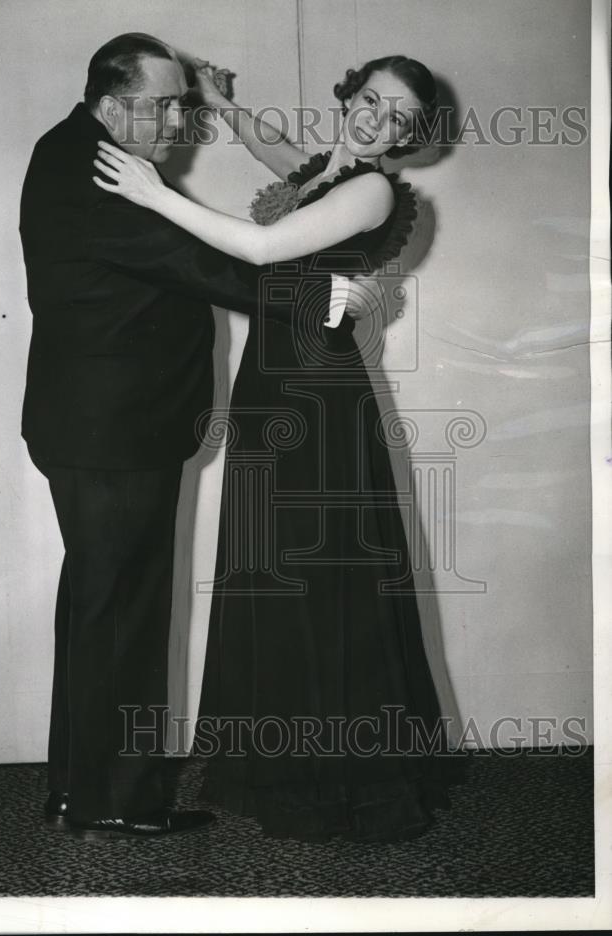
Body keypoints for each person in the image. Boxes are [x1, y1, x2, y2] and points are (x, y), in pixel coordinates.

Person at [93, 54, 467, 842]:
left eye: (395, 116)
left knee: (312, 574)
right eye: (368, 99)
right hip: (277, 382)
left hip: (314, 394)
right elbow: (273, 150)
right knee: (283, 570)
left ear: (408, 134)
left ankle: (335, 776)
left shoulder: (369, 190)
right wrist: (223, 104)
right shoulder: (325, 172)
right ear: (349, 96)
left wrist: (155, 194)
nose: (374, 119)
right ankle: (289, 759)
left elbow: (260, 252)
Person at [19, 32, 371, 841]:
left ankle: (79, 788)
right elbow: (199, 265)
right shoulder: (97, 170)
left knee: (99, 607)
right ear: (111, 106)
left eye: (183, 103)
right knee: (123, 612)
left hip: (99, 427)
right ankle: (116, 801)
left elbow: (179, 255)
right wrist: (318, 297)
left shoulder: (74, 150)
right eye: (165, 105)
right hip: (116, 432)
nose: (179, 123)